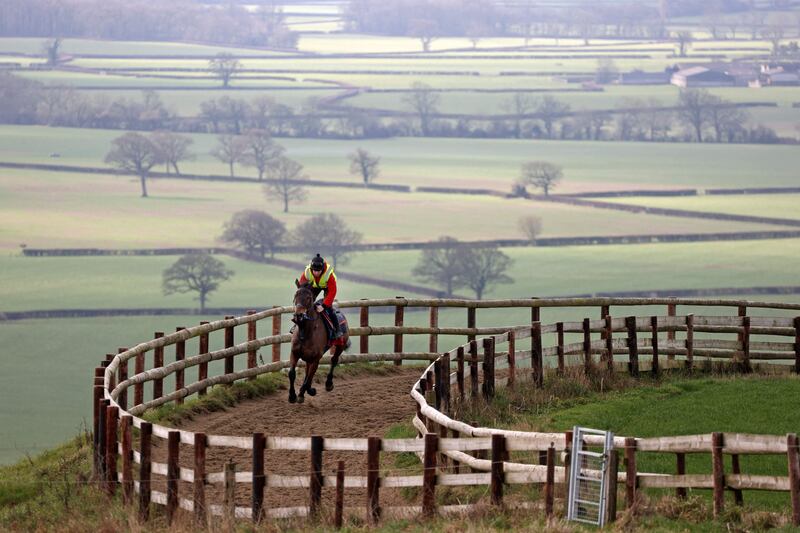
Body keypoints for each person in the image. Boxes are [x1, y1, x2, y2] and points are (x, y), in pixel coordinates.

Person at [298, 253, 341, 339]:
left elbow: (332, 291)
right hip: (315, 286)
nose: (316, 273)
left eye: (318, 271)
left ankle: (337, 330)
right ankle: (301, 328)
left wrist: (324, 306)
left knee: (329, 308)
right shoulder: (307, 272)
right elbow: (302, 286)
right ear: (311, 269)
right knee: (306, 304)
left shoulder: (329, 275)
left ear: (322, 269)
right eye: (314, 270)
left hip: (327, 287)